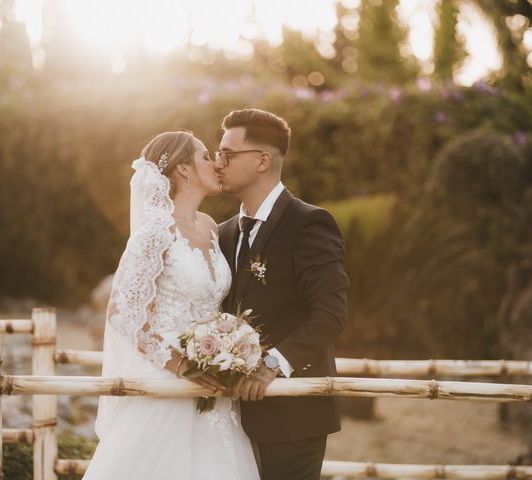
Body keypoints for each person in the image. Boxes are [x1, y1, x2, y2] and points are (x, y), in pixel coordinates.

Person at [84, 131, 260, 480]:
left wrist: (228, 346)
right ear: (183, 169)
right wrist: (180, 365)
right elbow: (124, 312)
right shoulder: (155, 230)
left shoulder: (210, 227)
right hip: (167, 385)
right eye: (206, 156)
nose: (216, 163)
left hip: (216, 389)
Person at [216, 109, 350, 480]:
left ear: (262, 160)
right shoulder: (224, 233)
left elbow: (330, 313)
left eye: (228, 154)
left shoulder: (309, 223)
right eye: (217, 153)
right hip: (226, 420)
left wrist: (271, 365)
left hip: (294, 418)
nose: (218, 163)